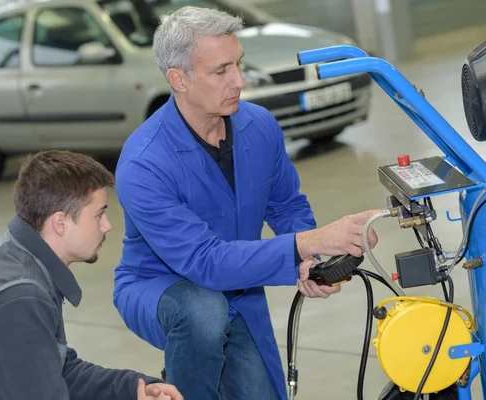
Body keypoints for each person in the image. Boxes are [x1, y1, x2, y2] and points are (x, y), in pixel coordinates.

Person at [112, 6, 379, 400]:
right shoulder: (144, 163)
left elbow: (287, 205)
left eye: (238, 64)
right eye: (221, 71)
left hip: (238, 286)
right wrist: (306, 244)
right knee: (202, 313)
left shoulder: (259, 126)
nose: (239, 80)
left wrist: (310, 262)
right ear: (178, 79)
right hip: (162, 288)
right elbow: (204, 263)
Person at [0, 150, 182, 400]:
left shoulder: (21, 258)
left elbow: (58, 371)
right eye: (99, 214)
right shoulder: (18, 298)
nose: (107, 225)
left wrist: (132, 389)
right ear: (60, 223)